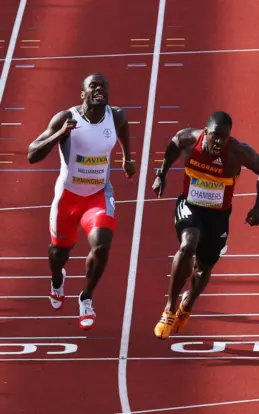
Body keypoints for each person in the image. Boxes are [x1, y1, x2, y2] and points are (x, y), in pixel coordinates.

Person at [27, 73, 135, 330]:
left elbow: (123, 129)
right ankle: (57, 280)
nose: (100, 89)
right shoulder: (66, 119)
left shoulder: (116, 115)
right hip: (68, 198)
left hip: (99, 195)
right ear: (82, 94)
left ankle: (86, 297)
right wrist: (60, 135)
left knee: (101, 246)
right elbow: (32, 153)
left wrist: (127, 157)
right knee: (59, 254)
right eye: (93, 86)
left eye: (103, 85)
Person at [151, 111, 259, 339]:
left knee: (204, 268)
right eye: (215, 136)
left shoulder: (238, 152)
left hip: (218, 215)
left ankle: (187, 305)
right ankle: (169, 309)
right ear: (205, 132)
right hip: (190, 205)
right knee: (188, 244)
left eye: (224, 138)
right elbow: (174, 145)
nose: (219, 142)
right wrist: (161, 174)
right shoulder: (188, 138)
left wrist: (258, 208)